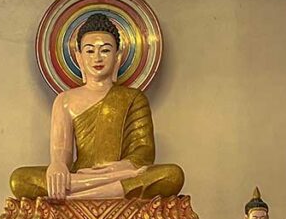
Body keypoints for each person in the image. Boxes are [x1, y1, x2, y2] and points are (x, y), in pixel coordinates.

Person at [10, 13, 183, 201]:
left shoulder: (133, 98)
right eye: (90, 51)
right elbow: (62, 154)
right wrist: (58, 166)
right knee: (20, 179)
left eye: (105, 50)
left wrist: (124, 167)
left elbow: (144, 152)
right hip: (83, 176)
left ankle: (80, 195)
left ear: (118, 57)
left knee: (172, 175)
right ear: (79, 58)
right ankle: (108, 190)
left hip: (120, 173)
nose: (97, 58)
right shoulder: (65, 100)